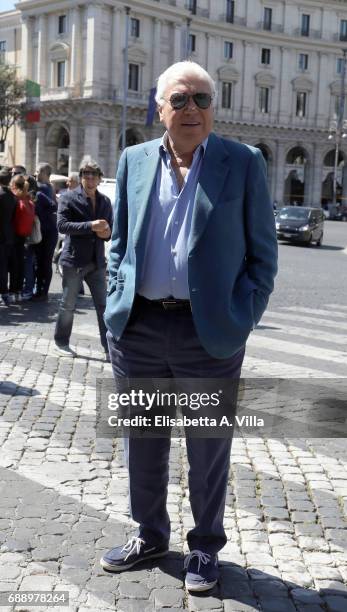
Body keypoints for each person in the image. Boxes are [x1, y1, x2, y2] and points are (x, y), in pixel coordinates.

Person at [101, 61, 278, 592]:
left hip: (211, 335)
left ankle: (204, 547)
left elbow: (262, 257)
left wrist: (241, 317)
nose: (191, 109)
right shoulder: (133, 159)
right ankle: (150, 533)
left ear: (213, 108)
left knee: (207, 446)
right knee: (143, 441)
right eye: (179, 99)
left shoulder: (241, 162)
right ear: (160, 108)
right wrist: (116, 303)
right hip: (140, 330)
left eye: (201, 98)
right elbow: (120, 245)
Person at [54, 156, 113, 358]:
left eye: (93, 175)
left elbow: (109, 229)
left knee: (104, 306)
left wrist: (107, 233)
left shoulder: (105, 200)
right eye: (85, 175)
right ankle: (61, 342)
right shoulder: (68, 197)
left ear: (99, 178)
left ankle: (109, 348)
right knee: (68, 305)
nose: (89, 178)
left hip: (97, 261)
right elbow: (62, 226)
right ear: (80, 178)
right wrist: (90, 226)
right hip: (74, 260)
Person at [31, 164, 58, 301]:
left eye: (37, 171)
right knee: (45, 262)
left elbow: (52, 206)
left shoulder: (40, 189)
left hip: (44, 231)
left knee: (42, 262)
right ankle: (43, 291)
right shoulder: (51, 187)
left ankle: (41, 291)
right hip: (50, 230)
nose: (35, 174)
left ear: (43, 172)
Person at [10, 174, 35, 302]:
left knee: (13, 265)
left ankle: (12, 292)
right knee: (20, 265)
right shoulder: (29, 199)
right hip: (24, 236)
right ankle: (18, 292)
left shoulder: (15, 199)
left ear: (14, 185)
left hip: (13, 235)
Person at [0, 167, 17, 306]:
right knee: (4, 265)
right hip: (9, 234)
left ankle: (4, 293)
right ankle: (5, 293)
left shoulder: (1, 195)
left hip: (2, 235)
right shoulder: (12, 195)